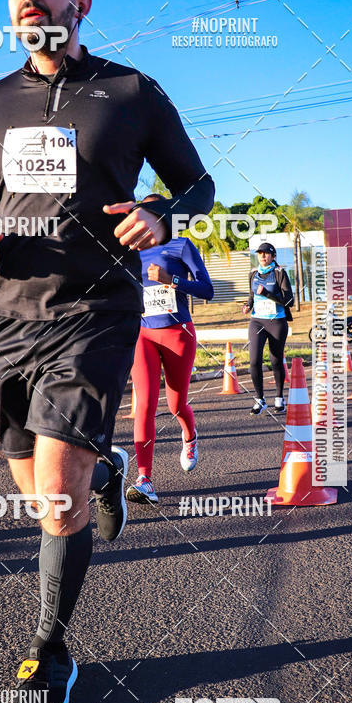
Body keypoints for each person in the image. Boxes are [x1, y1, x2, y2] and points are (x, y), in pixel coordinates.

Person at [0, 0, 214, 703]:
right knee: (41, 497)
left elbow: (198, 183)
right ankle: (104, 473)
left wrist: (162, 216)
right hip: (4, 317)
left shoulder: (132, 91)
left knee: (55, 503)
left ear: (80, 0)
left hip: (95, 312)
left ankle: (49, 650)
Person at [127, 198, 214, 505]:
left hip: (178, 333)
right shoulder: (130, 248)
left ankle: (189, 436)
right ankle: (144, 479)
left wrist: (173, 280)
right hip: (143, 335)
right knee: (146, 404)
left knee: (176, 405)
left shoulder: (180, 245)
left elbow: (208, 289)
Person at [242, 242, 293, 415]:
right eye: (260, 253)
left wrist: (267, 294)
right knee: (254, 360)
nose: (263, 256)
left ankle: (279, 397)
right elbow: (251, 294)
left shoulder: (279, 273)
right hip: (257, 321)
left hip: (276, 322)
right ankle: (260, 399)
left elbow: (289, 301)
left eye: (266, 253)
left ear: (273, 256)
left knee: (276, 359)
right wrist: (248, 305)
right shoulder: (253, 273)